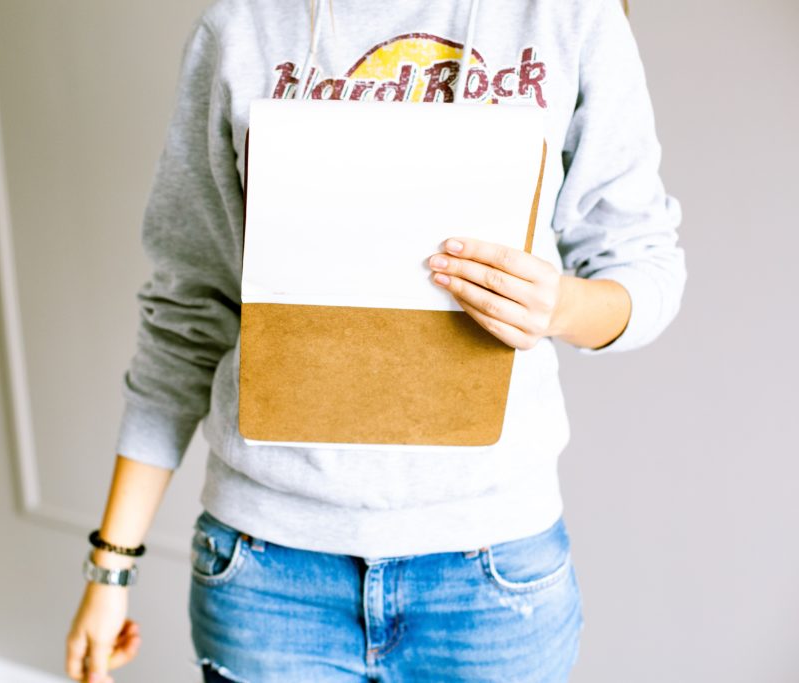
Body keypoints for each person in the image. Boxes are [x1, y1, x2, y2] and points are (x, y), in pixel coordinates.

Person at [66, 0, 685, 680]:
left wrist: (560, 305)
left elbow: (643, 267)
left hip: (492, 580)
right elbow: (187, 316)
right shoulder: (244, 25)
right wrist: (111, 565)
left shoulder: (568, 19)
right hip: (267, 575)